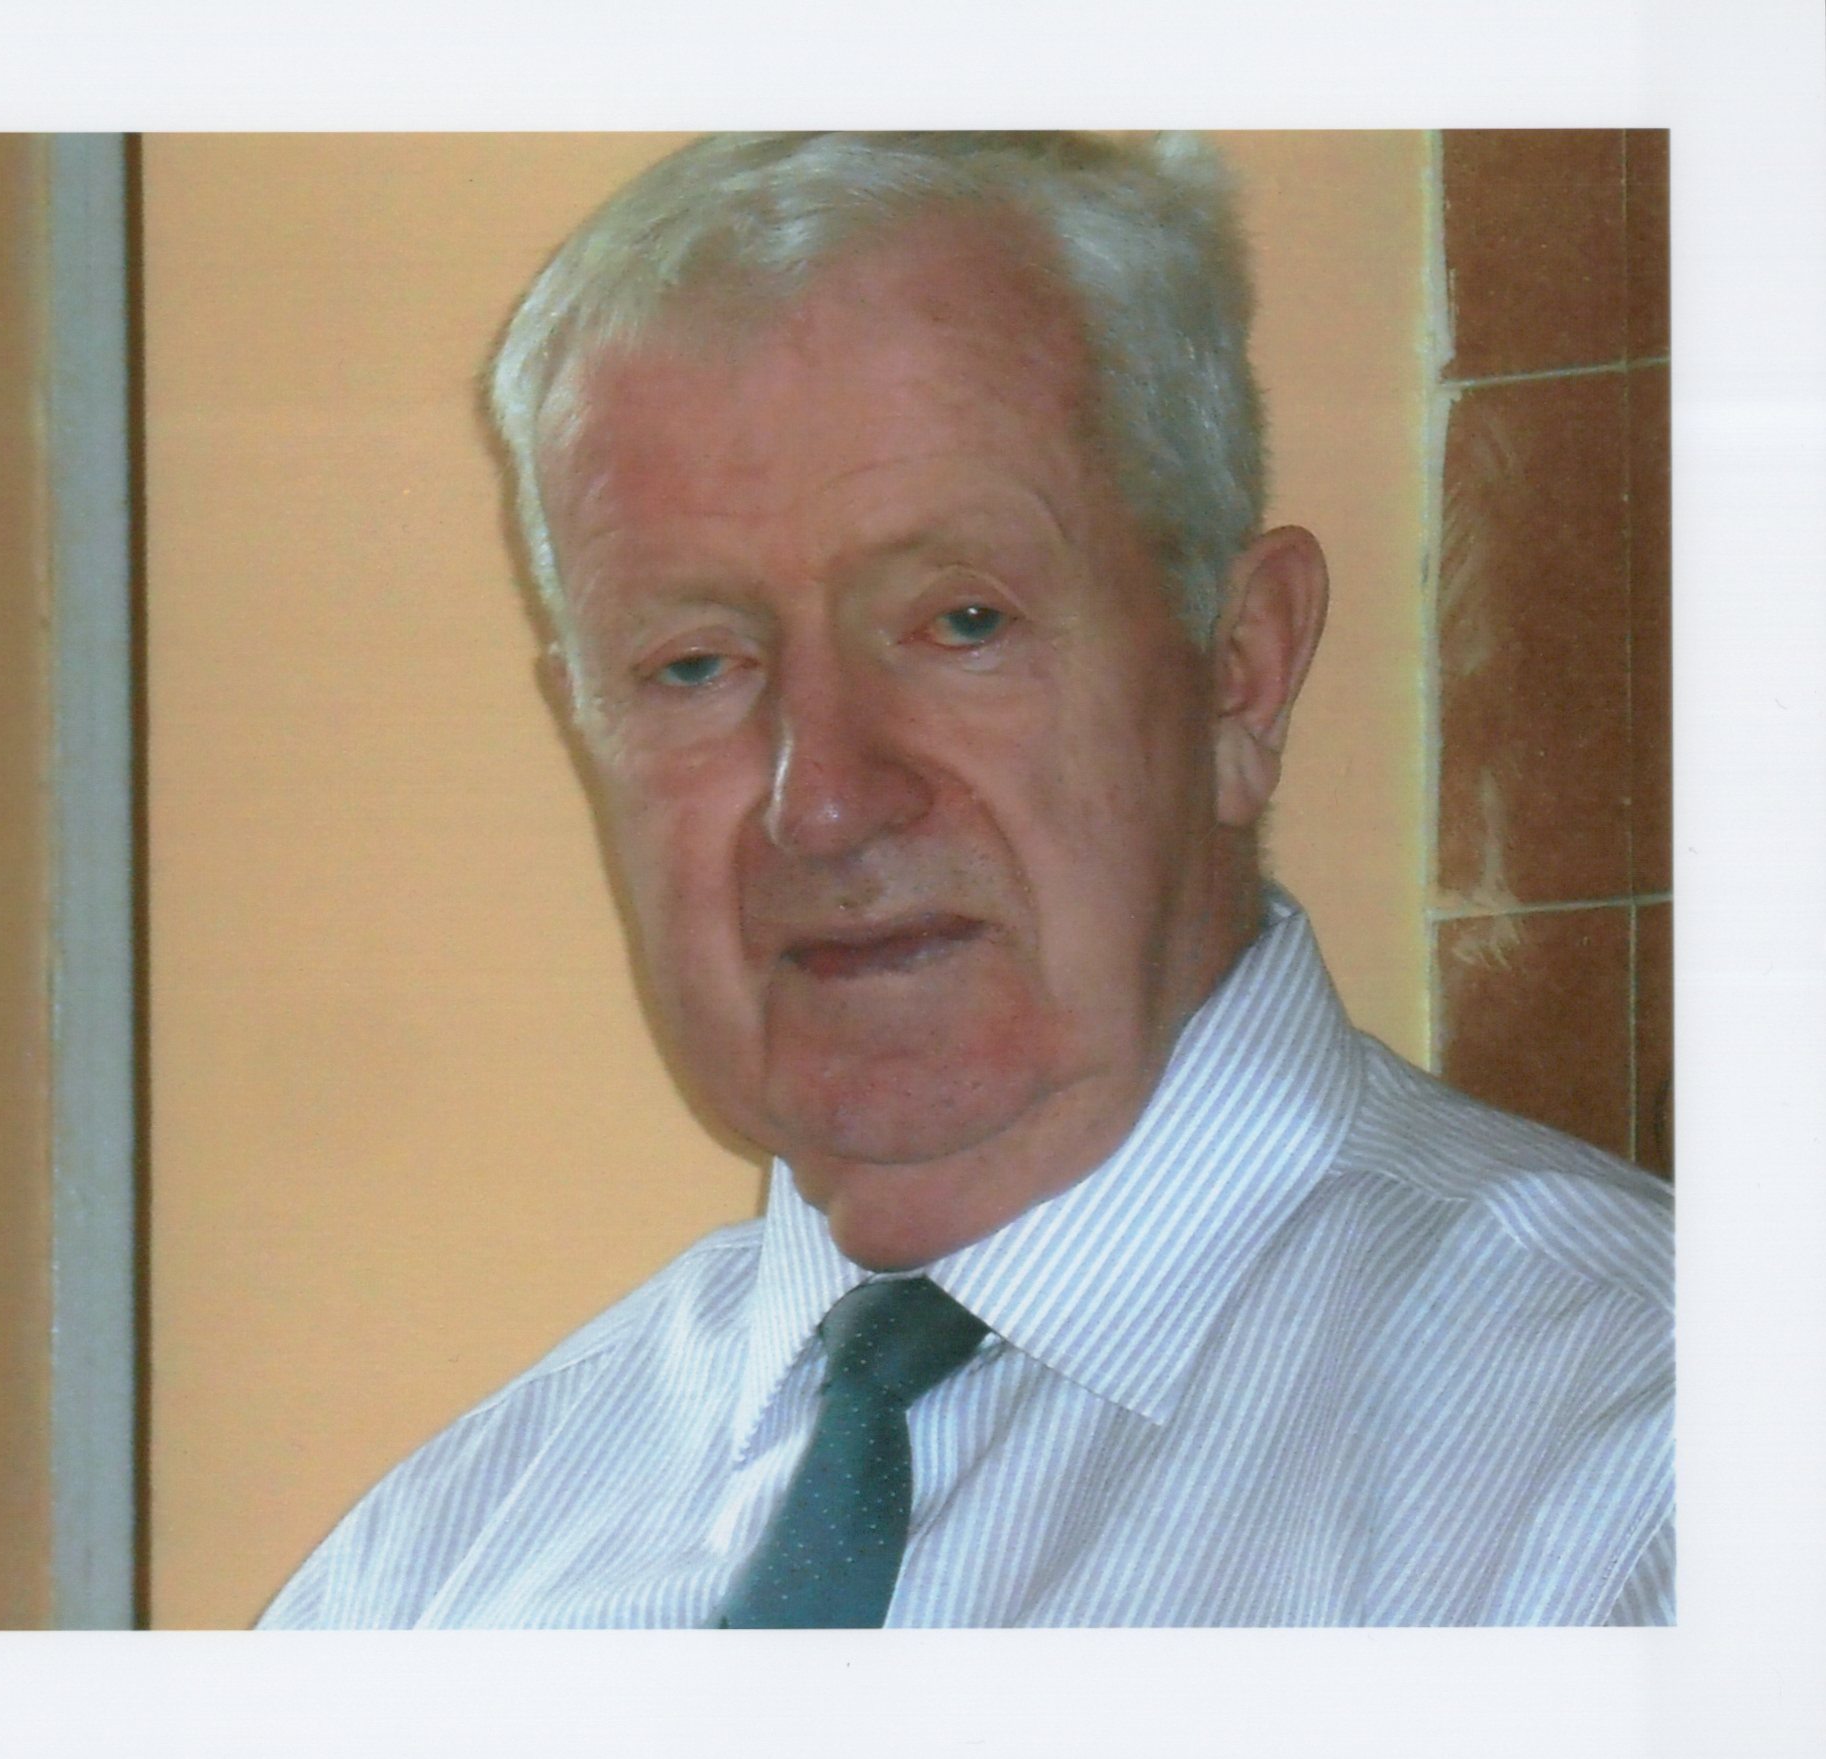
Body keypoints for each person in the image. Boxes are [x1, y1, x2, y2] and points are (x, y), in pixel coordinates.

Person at [256, 132, 1673, 1628]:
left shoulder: (1637, 1477)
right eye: (694, 665)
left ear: (1240, 673)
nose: (824, 800)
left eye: (962, 623)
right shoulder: (427, 1579)